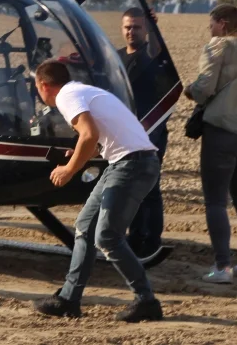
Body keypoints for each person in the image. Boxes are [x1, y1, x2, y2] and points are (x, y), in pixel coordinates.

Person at [31, 60, 163, 323]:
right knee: (85, 226)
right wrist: (80, 154)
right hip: (130, 162)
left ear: (44, 86)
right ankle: (69, 299)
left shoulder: (67, 96)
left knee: (107, 236)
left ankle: (146, 301)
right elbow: (94, 140)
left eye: (37, 88)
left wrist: (69, 169)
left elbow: (89, 134)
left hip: (131, 164)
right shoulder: (82, 90)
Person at [184, 2, 237, 283]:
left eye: (211, 25)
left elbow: (204, 88)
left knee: (216, 202)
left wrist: (190, 90)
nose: (209, 31)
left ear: (222, 23)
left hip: (222, 132)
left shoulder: (219, 46)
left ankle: (222, 267)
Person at [116, 7, 168, 258]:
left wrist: (155, 30)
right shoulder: (114, 58)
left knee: (148, 188)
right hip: (120, 134)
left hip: (150, 131)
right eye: (127, 27)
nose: (131, 32)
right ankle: (129, 236)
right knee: (127, 188)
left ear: (145, 30)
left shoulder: (151, 55)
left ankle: (149, 240)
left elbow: (157, 52)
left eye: (137, 27)